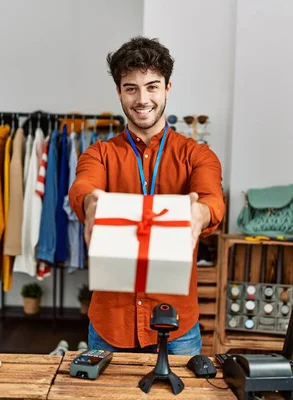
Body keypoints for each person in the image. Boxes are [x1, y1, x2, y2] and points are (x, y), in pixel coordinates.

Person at [69, 36, 225, 356]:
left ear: (168, 88)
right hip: (110, 326)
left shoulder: (198, 155)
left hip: (177, 326)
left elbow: (212, 199)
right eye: (131, 88)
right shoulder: (98, 154)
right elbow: (84, 187)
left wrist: (201, 213)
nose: (142, 99)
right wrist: (89, 203)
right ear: (119, 91)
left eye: (152, 86)